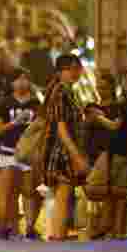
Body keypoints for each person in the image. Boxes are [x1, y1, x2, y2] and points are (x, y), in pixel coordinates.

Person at [84, 68, 127, 239]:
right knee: (116, 191)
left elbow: (116, 126)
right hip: (115, 151)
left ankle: (111, 228)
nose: (100, 90)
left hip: (118, 151)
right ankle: (114, 230)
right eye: (124, 80)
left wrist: (98, 117)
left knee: (113, 191)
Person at [41, 54, 89, 240]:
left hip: (66, 149)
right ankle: (57, 238)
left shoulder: (69, 91)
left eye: (78, 68)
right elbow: (61, 127)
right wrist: (76, 155)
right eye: (72, 68)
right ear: (61, 71)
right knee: (63, 194)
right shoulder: (61, 91)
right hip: (62, 150)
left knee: (64, 194)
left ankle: (58, 235)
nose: (76, 72)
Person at [0, 68, 41, 239]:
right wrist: (14, 122)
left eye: (25, 79)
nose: (21, 82)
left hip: (29, 153)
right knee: (8, 191)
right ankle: (7, 227)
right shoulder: (4, 102)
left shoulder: (36, 103)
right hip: (8, 151)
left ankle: (30, 227)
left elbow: (43, 127)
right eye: (17, 79)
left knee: (29, 190)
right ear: (11, 83)